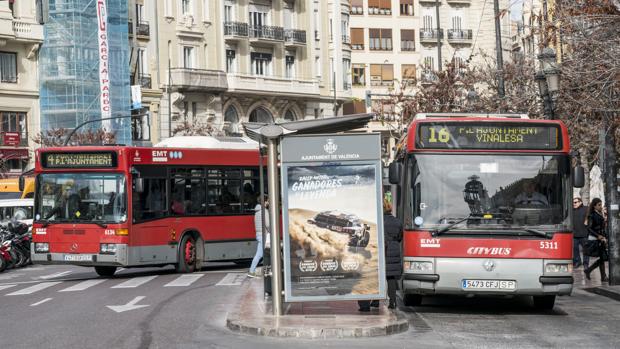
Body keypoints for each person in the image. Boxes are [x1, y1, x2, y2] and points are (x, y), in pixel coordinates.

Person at [359, 197, 403, 311]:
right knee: (390, 277)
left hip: (380, 249)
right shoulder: (397, 221)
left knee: (375, 276)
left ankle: (374, 302)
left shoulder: (375, 220)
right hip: (393, 250)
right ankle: (392, 302)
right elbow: (399, 237)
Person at [584, 198, 608, 282]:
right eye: (599, 205)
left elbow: (602, 227)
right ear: (594, 206)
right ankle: (602, 276)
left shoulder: (600, 214)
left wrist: (604, 237)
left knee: (603, 258)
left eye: (601, 204)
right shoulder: (592, 215)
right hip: (595, 239)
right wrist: (598, 236)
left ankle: (590, 271)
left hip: (600, 238)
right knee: (603, 257)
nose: (601, 206)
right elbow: (589, 228)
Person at [248, 194, 269, 278]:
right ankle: (251, 271)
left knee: (262, 254)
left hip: (259, 234)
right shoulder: (264, 211)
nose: (268, 202)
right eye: (267, 201)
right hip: (264, 235)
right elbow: (267, 224)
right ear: (264, 201)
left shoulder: (257, 211)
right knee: (262, 254)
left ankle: (252, 271)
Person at [572, 197, 589, 268]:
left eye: (575, 202)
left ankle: (585, 264)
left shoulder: (586, 209)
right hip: (574, 234)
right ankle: (577, 262)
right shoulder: (571, 210)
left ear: (580, 202)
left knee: (586, 250)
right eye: (573, 202)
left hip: (584, 234)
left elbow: (591, 215)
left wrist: (587, 220)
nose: (574, 204)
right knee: (575, 249)